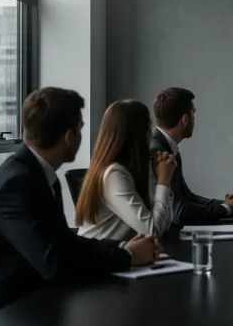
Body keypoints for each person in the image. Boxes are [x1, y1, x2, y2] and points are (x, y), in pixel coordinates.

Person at [0, 88, 158, 325]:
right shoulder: (16, 184)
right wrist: (127, 256)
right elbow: (54, 262)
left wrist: (123, 247)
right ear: (69, 136)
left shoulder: (35, 173)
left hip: (29, 301)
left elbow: (64, 241)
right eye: (81, 128)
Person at [75, 100, 177, 241]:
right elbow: (153, 232)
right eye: (148, 127)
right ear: (137, 135)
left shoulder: (131, 170)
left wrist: (157, 177)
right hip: (96, 254)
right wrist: (163, 182)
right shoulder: (114, 175)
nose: (151, 134)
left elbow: (164, 225)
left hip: (119, 251)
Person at [151, 87, 233, 232]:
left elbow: (188, 197)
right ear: (185, 119)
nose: (194, 119)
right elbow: (180, 212)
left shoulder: (168, 146)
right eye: (193, 113)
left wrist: (227, 204)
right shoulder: (159, 152)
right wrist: (226, 209)